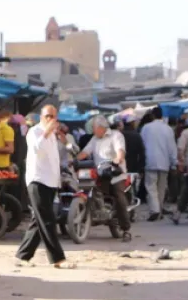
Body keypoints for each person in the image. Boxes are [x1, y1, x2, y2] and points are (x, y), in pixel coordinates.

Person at [16, 105, 73, 269]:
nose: (51, 119)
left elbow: (55, 159)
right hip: (38, 181)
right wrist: (47, 131)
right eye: (48, 116)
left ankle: (22, 256)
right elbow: (37, 149)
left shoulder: (54, 136)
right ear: (41, 117)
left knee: (38, 221)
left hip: (50, 182)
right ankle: (57, 258)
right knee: (47, 221)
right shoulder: (35, 132)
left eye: (54, 116)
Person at [78, 115, 132, 242]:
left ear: (101, 127)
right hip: (99, 174)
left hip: (115, 174)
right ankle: (94, 212)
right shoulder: (94, 139)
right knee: (86, 189)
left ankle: (126, 230)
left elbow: (120, 150)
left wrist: (118, 158)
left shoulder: (116, 135)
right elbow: (85, 152)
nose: (93, 131)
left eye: (95, 128)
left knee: (119, 197)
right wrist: (75, 160)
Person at [140, 106, 178, 221]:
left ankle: (155, 210)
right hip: (164, 162)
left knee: (151, 187)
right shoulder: (168, 129)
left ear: (152, 115)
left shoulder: (146, 128)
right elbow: (172, 148)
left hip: (150, 161)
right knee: (161, 188)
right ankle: (159, 210)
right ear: (162, 115)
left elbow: (142, 145)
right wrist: (174, 163)